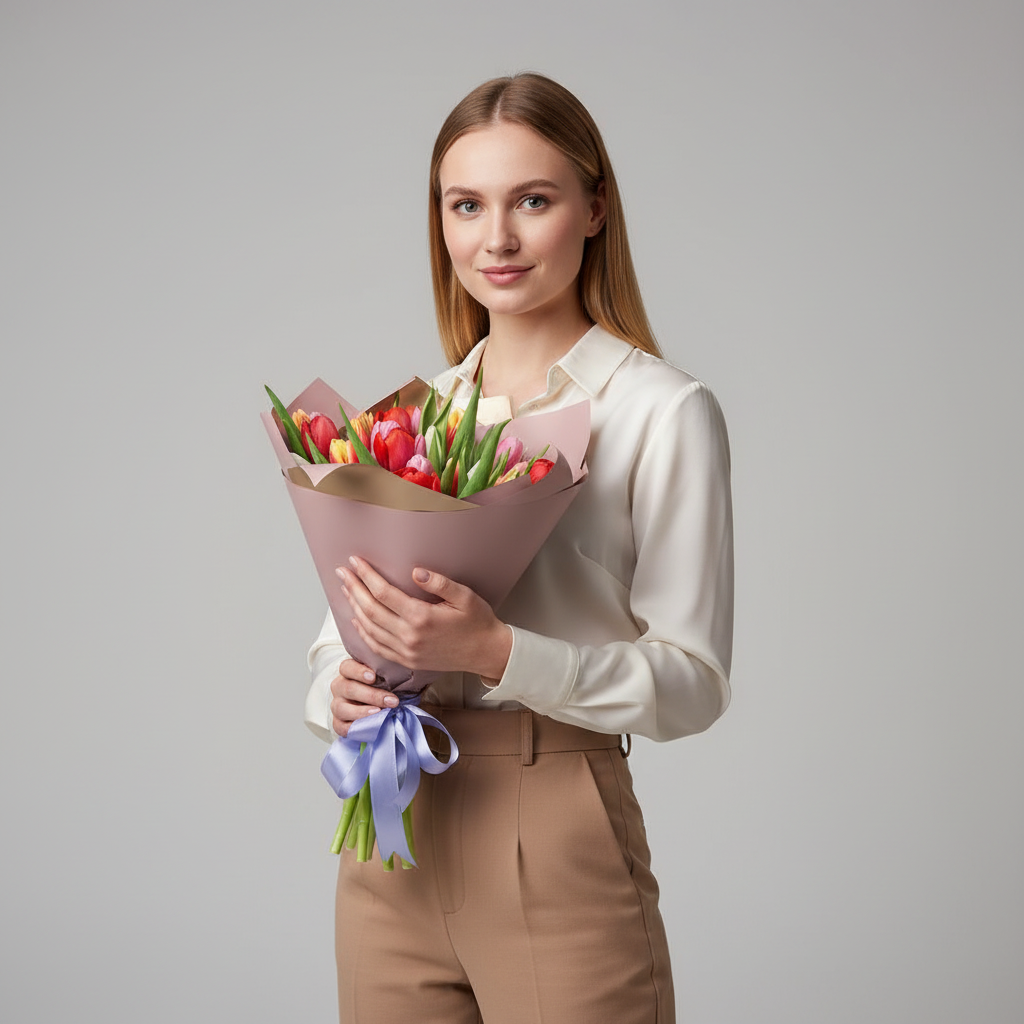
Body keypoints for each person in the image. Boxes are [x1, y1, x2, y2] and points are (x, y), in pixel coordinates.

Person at [304, 72, 733, 1024]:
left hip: (556, 824)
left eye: (530, 201)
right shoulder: (416, 414)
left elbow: (694, 679)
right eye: (467, 205)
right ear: (442, 220)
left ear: (593, 208)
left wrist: (495, 653)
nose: (494, 239)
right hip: (393, 830)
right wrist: (332, 684)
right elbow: (341, 620)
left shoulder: (662, 412)